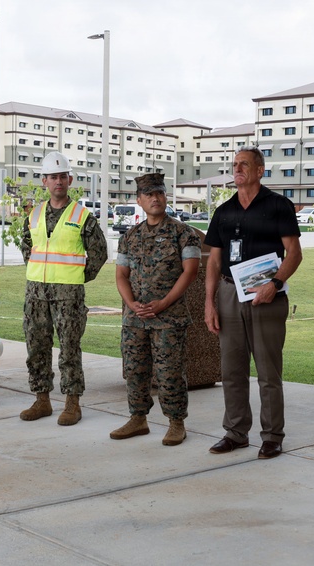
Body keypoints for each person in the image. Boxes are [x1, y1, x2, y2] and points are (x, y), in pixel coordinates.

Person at [204, 145, 302, 459]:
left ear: (260, 170)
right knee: (231, 370)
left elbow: (295, 254)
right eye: (235, 165)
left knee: (268, 372)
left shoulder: (278, 206)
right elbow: (214, 262)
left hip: (267, 297)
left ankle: (272, 436)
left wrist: (275, 284)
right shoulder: (224, 210)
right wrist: (209, 301)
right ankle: (235, 433)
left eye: (244, 165)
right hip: (231, 294)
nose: (238, 170)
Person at [109, 173, 201, 446]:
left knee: (169, 372)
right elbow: (121, 275)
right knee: (136, 370)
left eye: (159, 193)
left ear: (165, 196)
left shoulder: (183, 233)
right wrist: (131, 304)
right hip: (135, 319)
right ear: (139, 201)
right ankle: (138, 418)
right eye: (148, 195)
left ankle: (176, 423)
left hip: (168, 319)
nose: (155, 198)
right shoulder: (130, 237)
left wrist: (163, 303)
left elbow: (190, 272)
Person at [19, 151, 107, 426]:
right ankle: (42, 399)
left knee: (69, 348)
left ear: (70, 179)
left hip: (69, 294)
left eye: (62, 177)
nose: (58, 181)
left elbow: (100, 252)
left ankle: (72, 402)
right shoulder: (33, 215)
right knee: (36, 346)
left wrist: (78, 276)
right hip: (36, 293)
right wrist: (36, 270)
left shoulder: (82, 216)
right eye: (52, 177)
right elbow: (26, 246)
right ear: (44, 181)